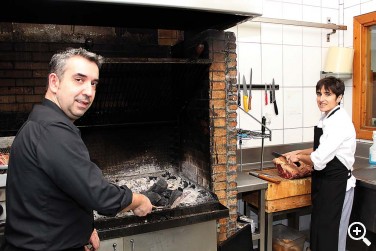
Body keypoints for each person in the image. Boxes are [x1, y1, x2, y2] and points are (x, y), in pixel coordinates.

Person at [3, 48, 152, 251]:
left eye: (93, 83)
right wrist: (138, 200)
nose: (89, 92)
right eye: (79, 79)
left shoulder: (42, 122)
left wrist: (82, 228)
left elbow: (58, 191)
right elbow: (99, 194)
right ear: (54, 82)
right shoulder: (53, 131)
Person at [283, 76, 356, 251]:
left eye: (327, 94)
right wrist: (298, 152)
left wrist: (299, 158)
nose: (321, 99)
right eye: (319, 93)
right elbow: (322, 147)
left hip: (337, 187)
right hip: (325, 186)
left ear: (339, 97)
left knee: (332, 238)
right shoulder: (327, 117)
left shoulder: (339, 122)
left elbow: (319, 159)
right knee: (320, 234)